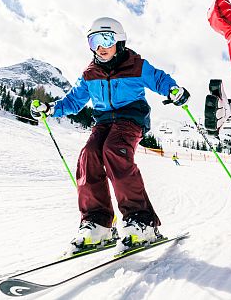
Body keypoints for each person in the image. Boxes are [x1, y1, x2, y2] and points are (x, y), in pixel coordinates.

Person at [30, 17, 190, 252]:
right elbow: (74, 100)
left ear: (120, 42)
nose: (101, 47)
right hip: (104, 121)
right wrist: (51, 109)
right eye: (94, 41)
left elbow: (158, 79)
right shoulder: (89, 74)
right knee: (89, 155)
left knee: (115, 151)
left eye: (107, 39)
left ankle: (141, 221)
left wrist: (173, 90)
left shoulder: (136, 65)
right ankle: (98, 222)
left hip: (131, 118)